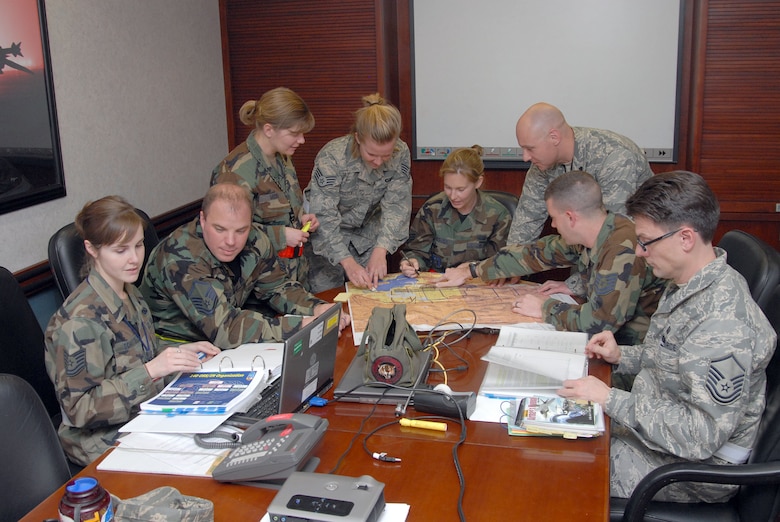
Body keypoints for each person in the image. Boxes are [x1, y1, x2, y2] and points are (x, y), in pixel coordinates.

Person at [557, 171, 776, 503]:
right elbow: (672, 358)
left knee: (559, 472)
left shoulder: (723, 322)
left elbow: (701, 436)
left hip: (690, 470)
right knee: (553, 434)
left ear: (685, 238)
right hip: (655, 435)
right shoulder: (688, 281)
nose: (641, 252)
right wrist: (622, 357)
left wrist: (610, 399)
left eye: (646, 241)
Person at [44, 196, 220, 466]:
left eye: (138, 245)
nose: (134, 258)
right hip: (101, 438)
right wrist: (151, 371)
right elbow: (79, 409)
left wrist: (175, 353)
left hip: (143, 414)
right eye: (120, 250)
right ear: (92, 249)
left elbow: (138, 351)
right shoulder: (80, 322)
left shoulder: (129, 293)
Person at [434, 171, 665, 345]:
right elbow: (532, 254)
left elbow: (600, 323)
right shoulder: (595, 233)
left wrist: (545, 307)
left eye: (554, 218)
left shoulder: (621, 247)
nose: (553, 225)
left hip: (631, 351)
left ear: (570, 217)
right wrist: (472, 270)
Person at [140, 182, 349, 349]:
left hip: (225, 343)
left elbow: (276, 288)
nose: (231, 241)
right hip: (176, 347)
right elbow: (225, 327)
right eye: (220, 229)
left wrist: (316, 307)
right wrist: (300, 325)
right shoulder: (181, 257)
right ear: (202, 220)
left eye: (241, 230)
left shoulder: (256, 238)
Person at [211, 87, 318, 289]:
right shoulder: (234, 171)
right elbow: (225, 234)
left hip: (293, 278)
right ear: (269, 130)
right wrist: (281, 235)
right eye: (294, 133)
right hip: (258, 287)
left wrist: (303, 217)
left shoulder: (283, 157)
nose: (302, 140)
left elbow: (285, 205)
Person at [305, 93, 412, 293]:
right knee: (328, 299)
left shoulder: (401, 152)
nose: (379, 162)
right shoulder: (333, 157)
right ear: (357, 139)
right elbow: (324, 216)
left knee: (370, 297)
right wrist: (346, 261)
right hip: (329, 240)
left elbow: (397, 206)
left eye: (386, 155)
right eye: (371, 154)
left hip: (368, 237)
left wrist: (382, 249)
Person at [508, 102, 654, 245]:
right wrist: (506, 265)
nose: (525, 157)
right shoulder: (541, 166)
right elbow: (524, 226)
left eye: (530, 148)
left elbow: (612, 229)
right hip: (590, 246)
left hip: (638, 247)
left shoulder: (613, 155)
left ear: (554, 137)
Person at [399, 145, 511, 275]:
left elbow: (503, 262)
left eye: (460, 189)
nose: (452, 196)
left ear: (478, 182)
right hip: (438, 282)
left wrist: (474, 268)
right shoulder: (433, 208)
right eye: (448, 187)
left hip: (477, 284)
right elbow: (417, 251)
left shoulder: (497, 215)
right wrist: (411, 262)